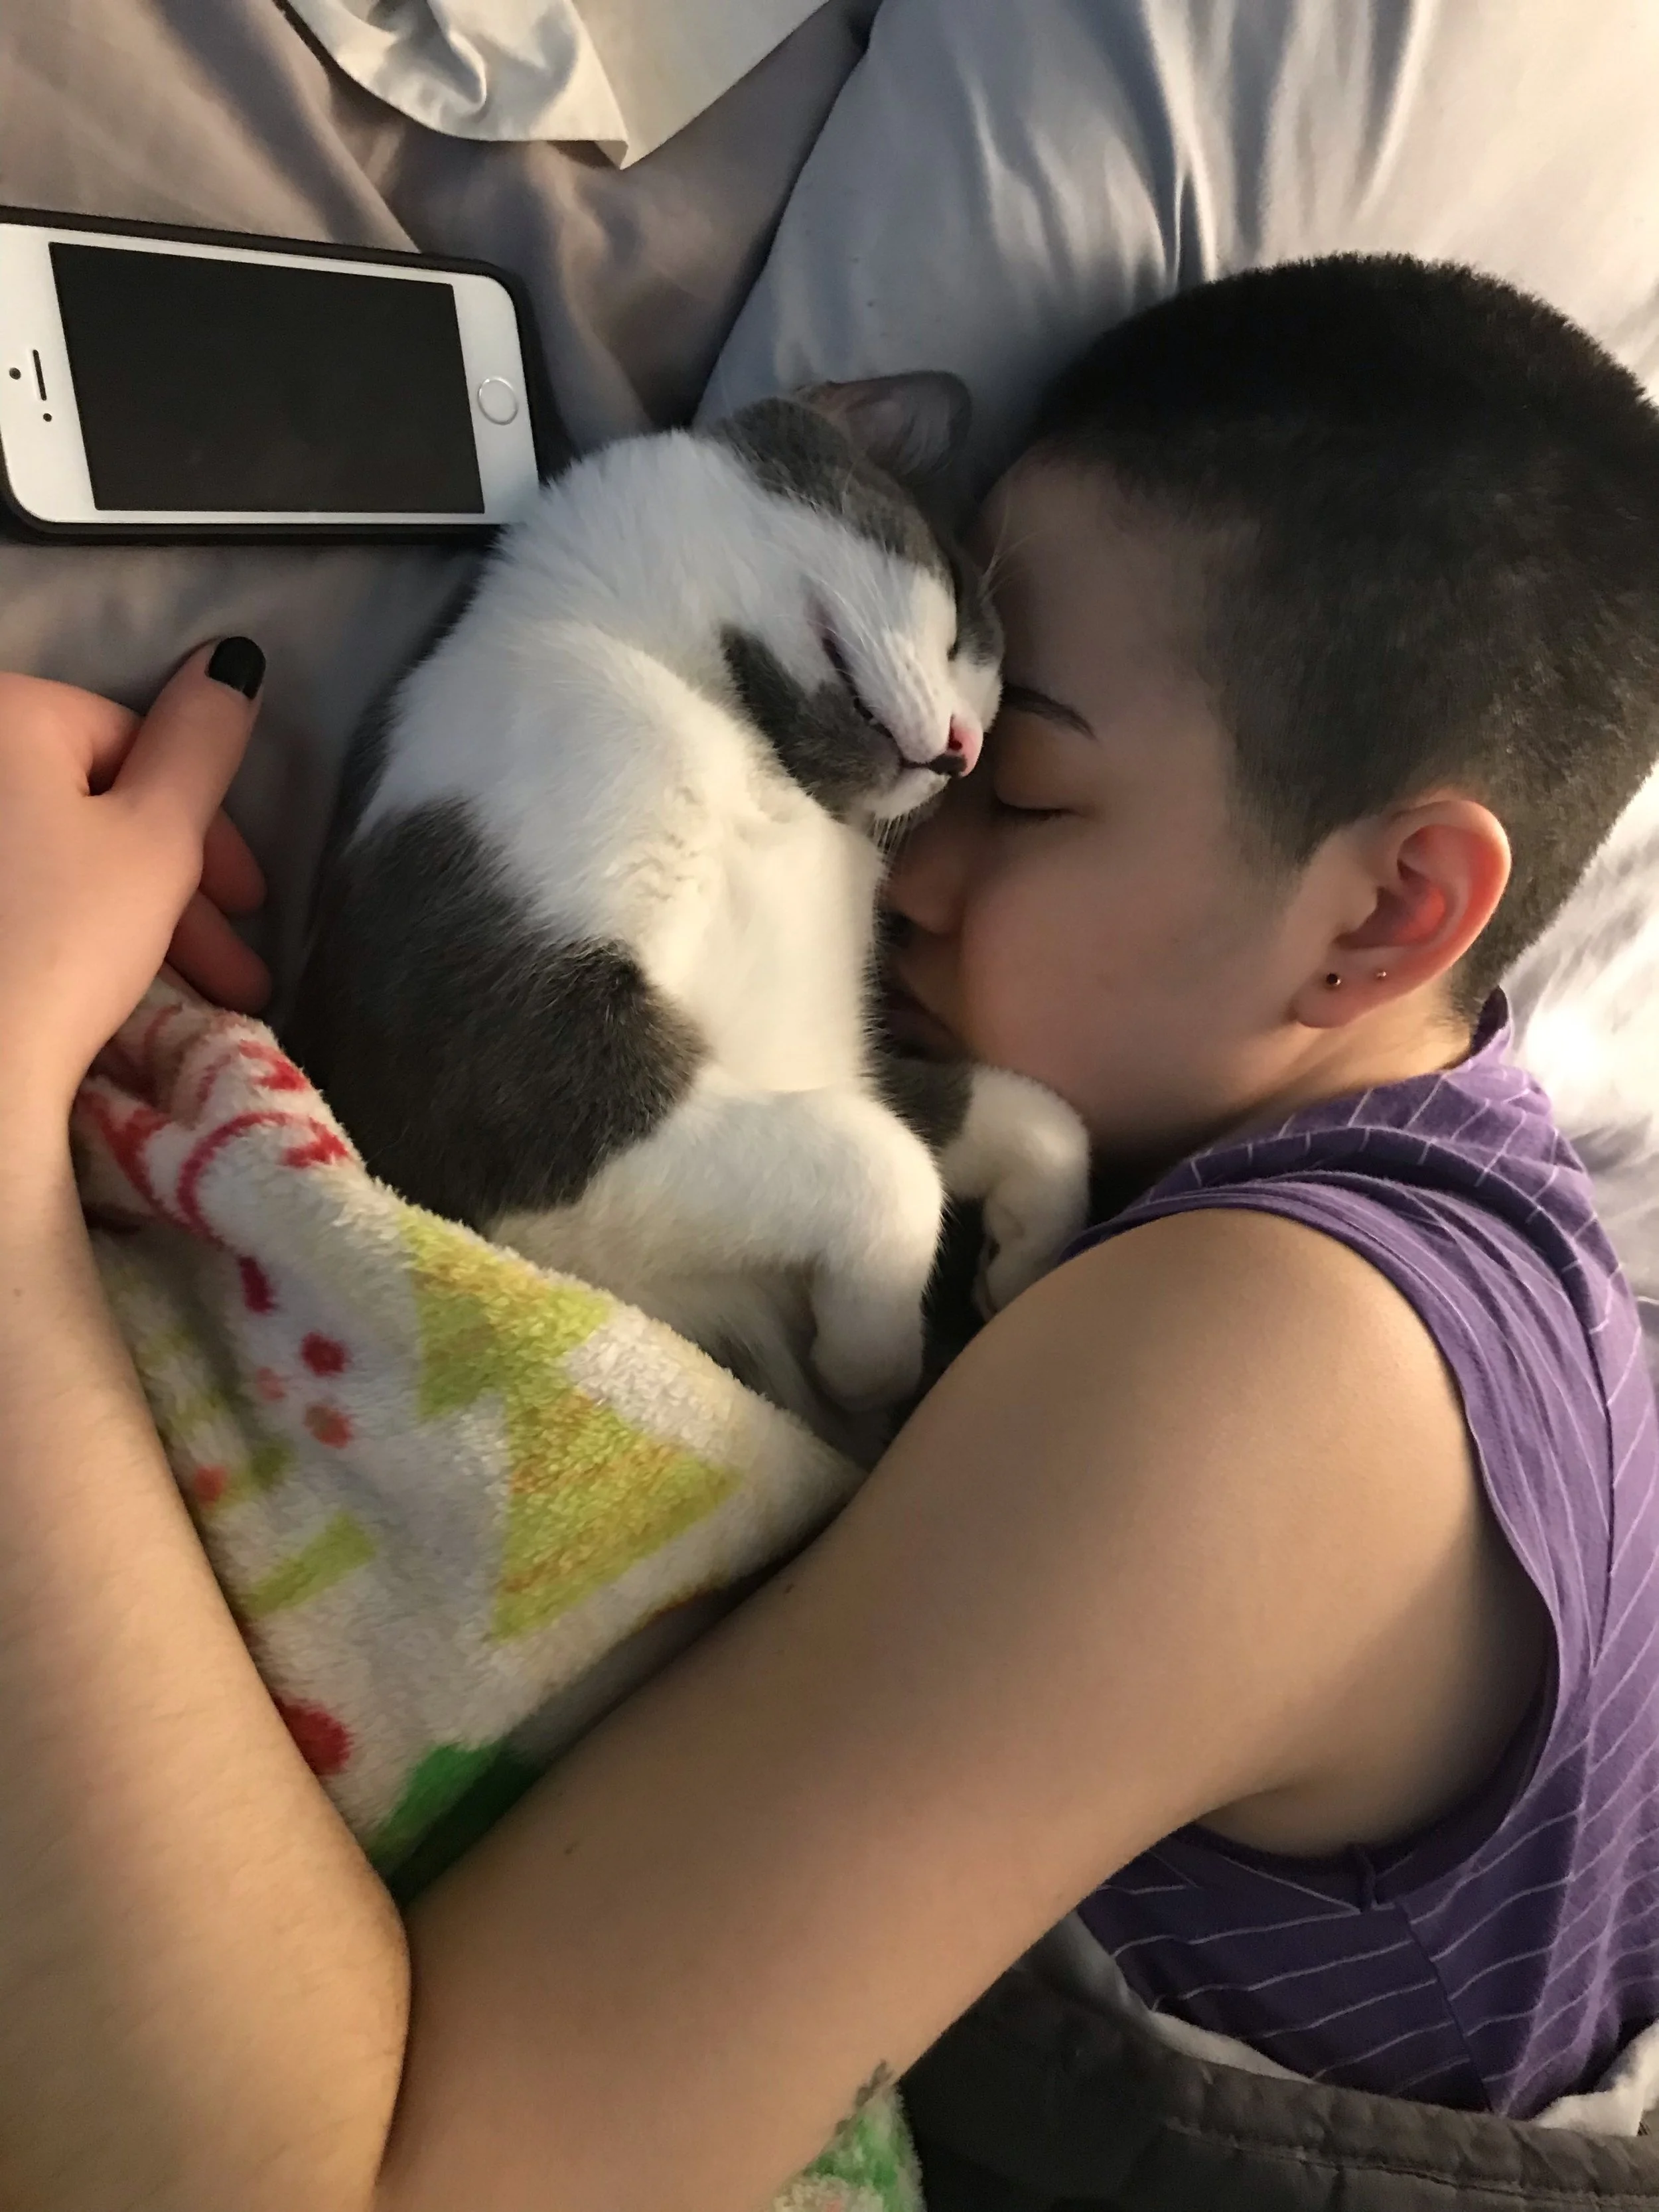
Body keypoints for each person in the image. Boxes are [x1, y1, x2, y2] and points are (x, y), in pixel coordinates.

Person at [1, 254, 1657, 2212]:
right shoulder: (1472, 1237)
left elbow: (358, 2188)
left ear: (1385, 914)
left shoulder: (1286, 1382)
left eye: (1028, 791)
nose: (902, 859)